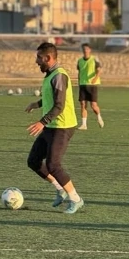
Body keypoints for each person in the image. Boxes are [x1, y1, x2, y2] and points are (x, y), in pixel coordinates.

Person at [25, 42, 84, 214]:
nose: (36, 61)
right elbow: (50, 98)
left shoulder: (59, 75)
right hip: (51, 125)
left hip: (63, 126)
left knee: (53, 164)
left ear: (48, 58)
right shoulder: (50, 75)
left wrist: (41, 122)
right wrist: (36, 104)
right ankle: (60, 189)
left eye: (39, 57)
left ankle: (76, 199)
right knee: (33, 161)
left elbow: (59, 105)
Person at [76, 42, 104, 129]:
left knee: (93, 105)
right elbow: (79, 72)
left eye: (87, 49)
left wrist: (95, 78)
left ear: (90, 50)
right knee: (83, 104)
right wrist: (79, 81)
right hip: (82, 84)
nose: (85, 50)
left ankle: (99, 116)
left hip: (92, 85)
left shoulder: (94, 59)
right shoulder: (79, 61)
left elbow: (99, 70)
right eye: (84, 49)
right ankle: (84, 124)